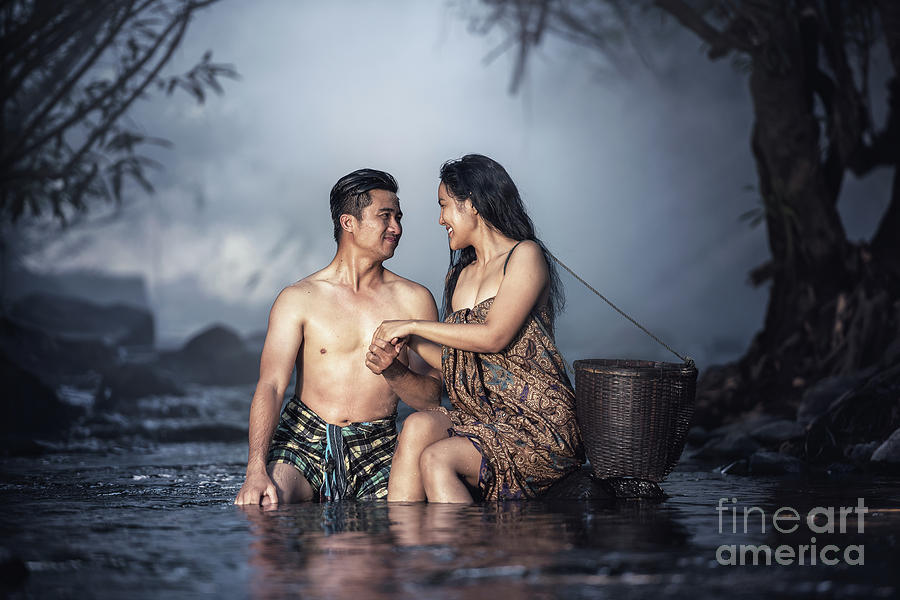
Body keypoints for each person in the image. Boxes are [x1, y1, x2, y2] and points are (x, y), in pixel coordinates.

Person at [373, 154, 584, 502]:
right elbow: (461, 362)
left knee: (438, 458)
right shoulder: (459, 275)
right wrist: (404, 342)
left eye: (444, 206)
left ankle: (470, 553)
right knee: (416, 426)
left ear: (471, 204)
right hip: (483, 417)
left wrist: (413, 323)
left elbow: (493, 337)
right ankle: (407, 548)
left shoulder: (524, 256)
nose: (440, 220)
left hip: (536, 422)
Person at [234, 168, 441, 506]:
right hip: (303, 439)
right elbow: (271, 385)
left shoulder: (414, 300)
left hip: (377, 446)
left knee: (397, 528)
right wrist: (255, 469)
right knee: (264, 506)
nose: (397, 228)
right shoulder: (298, 298)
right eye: (385, 217)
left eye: (399, 217)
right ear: (349, 223)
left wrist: (394, 371)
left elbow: (431, 399)